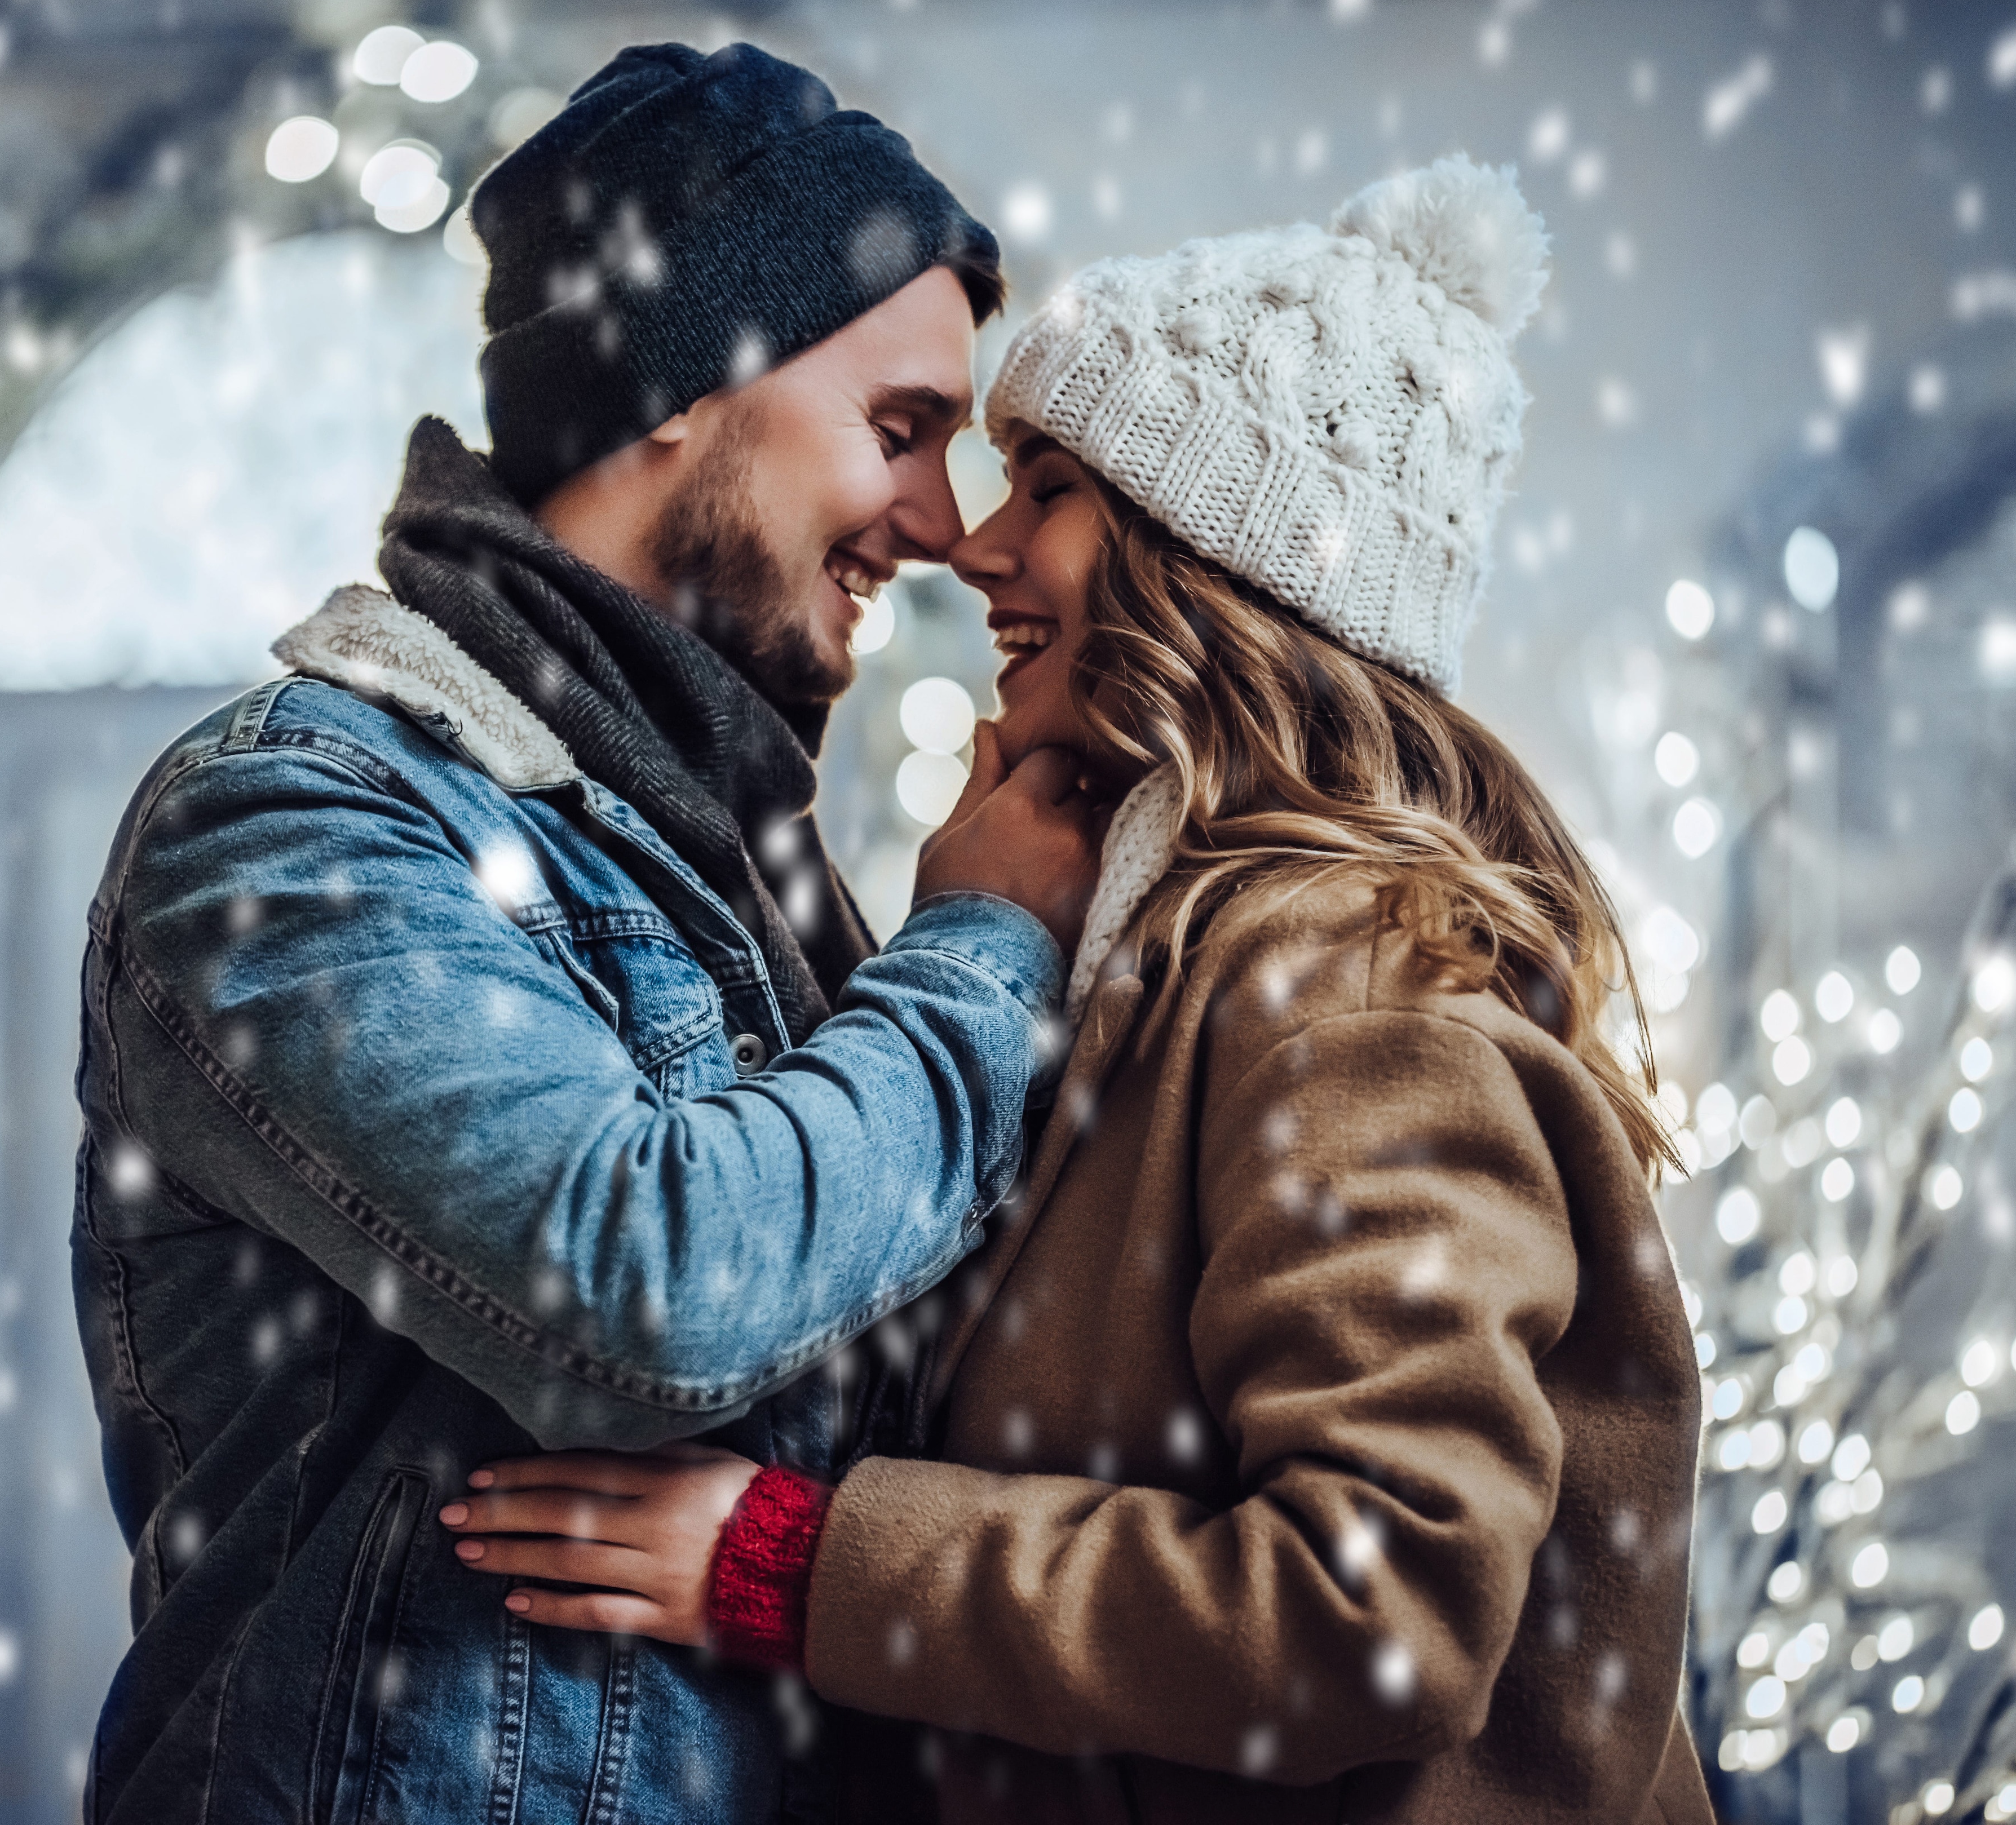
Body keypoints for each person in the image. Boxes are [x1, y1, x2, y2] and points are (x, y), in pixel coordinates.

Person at [441, 159, 1721, 1823]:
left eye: (1043, 480)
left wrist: (797, 1565)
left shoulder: (1355, 991)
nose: (972, 543)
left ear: (1207, 560)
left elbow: (1378, 1612)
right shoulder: (1157, 954)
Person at [70, 42, 1104, 1823]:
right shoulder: (298, 819)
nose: (941, 527)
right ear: (678, 392)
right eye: (902, 429)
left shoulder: (733, 857)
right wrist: (988, 945)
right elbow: (642, 1289)